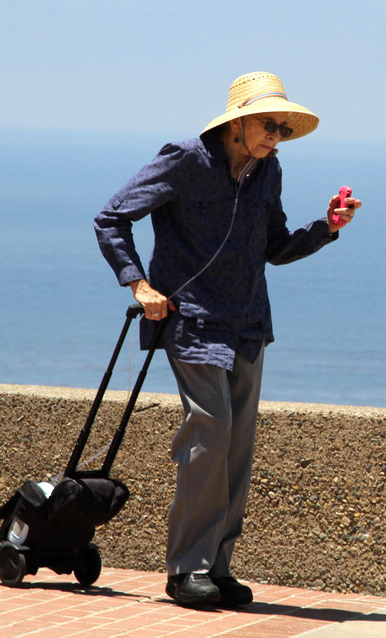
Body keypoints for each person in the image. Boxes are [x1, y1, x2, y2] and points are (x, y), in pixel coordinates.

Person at [93, 72, 360, 608]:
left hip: (248, 324)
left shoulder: (268, 170)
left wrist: (327, 228)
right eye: (269, 125)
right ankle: (184, 569)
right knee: (210, 432)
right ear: (237, 121)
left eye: (284, 129)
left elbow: (275, 248)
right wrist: (140, 285)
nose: (276, 137)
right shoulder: (185, 159)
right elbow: (111, 219)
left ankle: (216, 568)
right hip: (190, 321)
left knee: (236, 447)